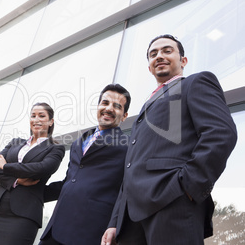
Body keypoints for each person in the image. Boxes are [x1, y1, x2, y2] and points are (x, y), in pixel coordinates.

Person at [102, 34, 238, 245]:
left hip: (172, 203)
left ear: (183, 60)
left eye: (167, 51)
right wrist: (115, 221)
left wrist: (187, 187)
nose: (159, 56)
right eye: (153, 54)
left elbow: (221, 133)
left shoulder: (196, 82)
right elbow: (130, 168)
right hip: (130, 220)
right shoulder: (145, 107)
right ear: (149, 67)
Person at [39, 84, 131, 245]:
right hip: (54, 229)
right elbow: (69, 182)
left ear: (124, 116)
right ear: (98, 107)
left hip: (90, 233)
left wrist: (115, 224)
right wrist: (32, 193)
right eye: (105, 103)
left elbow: (128, 190)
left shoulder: (128, 146)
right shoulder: (78, 143)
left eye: (116, 106)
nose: (109, 108)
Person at [0, 102, 65, 245]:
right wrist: (15, 181)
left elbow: (41, 168)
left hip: (25, 213)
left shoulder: (55, 148)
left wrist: (5, 166)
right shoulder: (15, 142)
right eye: (33, 116)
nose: (36, 119)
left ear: (51, 122)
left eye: (42, 116)